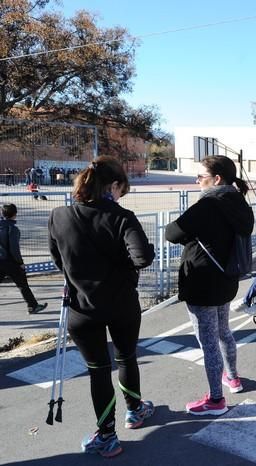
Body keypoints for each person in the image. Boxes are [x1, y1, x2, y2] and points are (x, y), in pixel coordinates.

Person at [48, 156, 155, 457]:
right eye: (123, 189)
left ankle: (106, 436)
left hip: (82, 309)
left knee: (98, 370)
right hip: (121, 304)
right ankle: (134, 410)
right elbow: (142, 257)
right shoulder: (122, 217)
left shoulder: (59, 215)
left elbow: (59, 259)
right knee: (126, 358)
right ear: (115, 185)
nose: (122, 195)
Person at [165, 155, 254, 416]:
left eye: (201, 175)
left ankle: (216, 399)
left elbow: (172, 233)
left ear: (217, 179)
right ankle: (233, 378)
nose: (197, 180)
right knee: (224, 331)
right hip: (227, 278)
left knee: (208, 342)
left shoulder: (207, 205)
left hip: (203, 281)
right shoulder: (239, 202)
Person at [1, 204, 47, 314]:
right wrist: (20, 263)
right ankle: (32, 306)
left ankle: (33, 306)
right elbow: (14, 249)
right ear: (15, 215)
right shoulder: (13, 229)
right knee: (22, 285)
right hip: (11, 263)